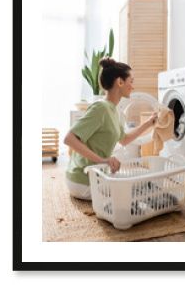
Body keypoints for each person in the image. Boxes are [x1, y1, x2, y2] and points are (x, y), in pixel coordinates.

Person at [64, 57, 157, 200]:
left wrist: (149, 123)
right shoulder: (100, 108)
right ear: (120, 82)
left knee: (144, 181)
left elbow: (125, 139)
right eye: (131, 81)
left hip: (98, 174)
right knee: (141, 190)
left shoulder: (114, 110)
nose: (132, 86)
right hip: (83, 180)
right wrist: (103, 160)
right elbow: (69, 139)